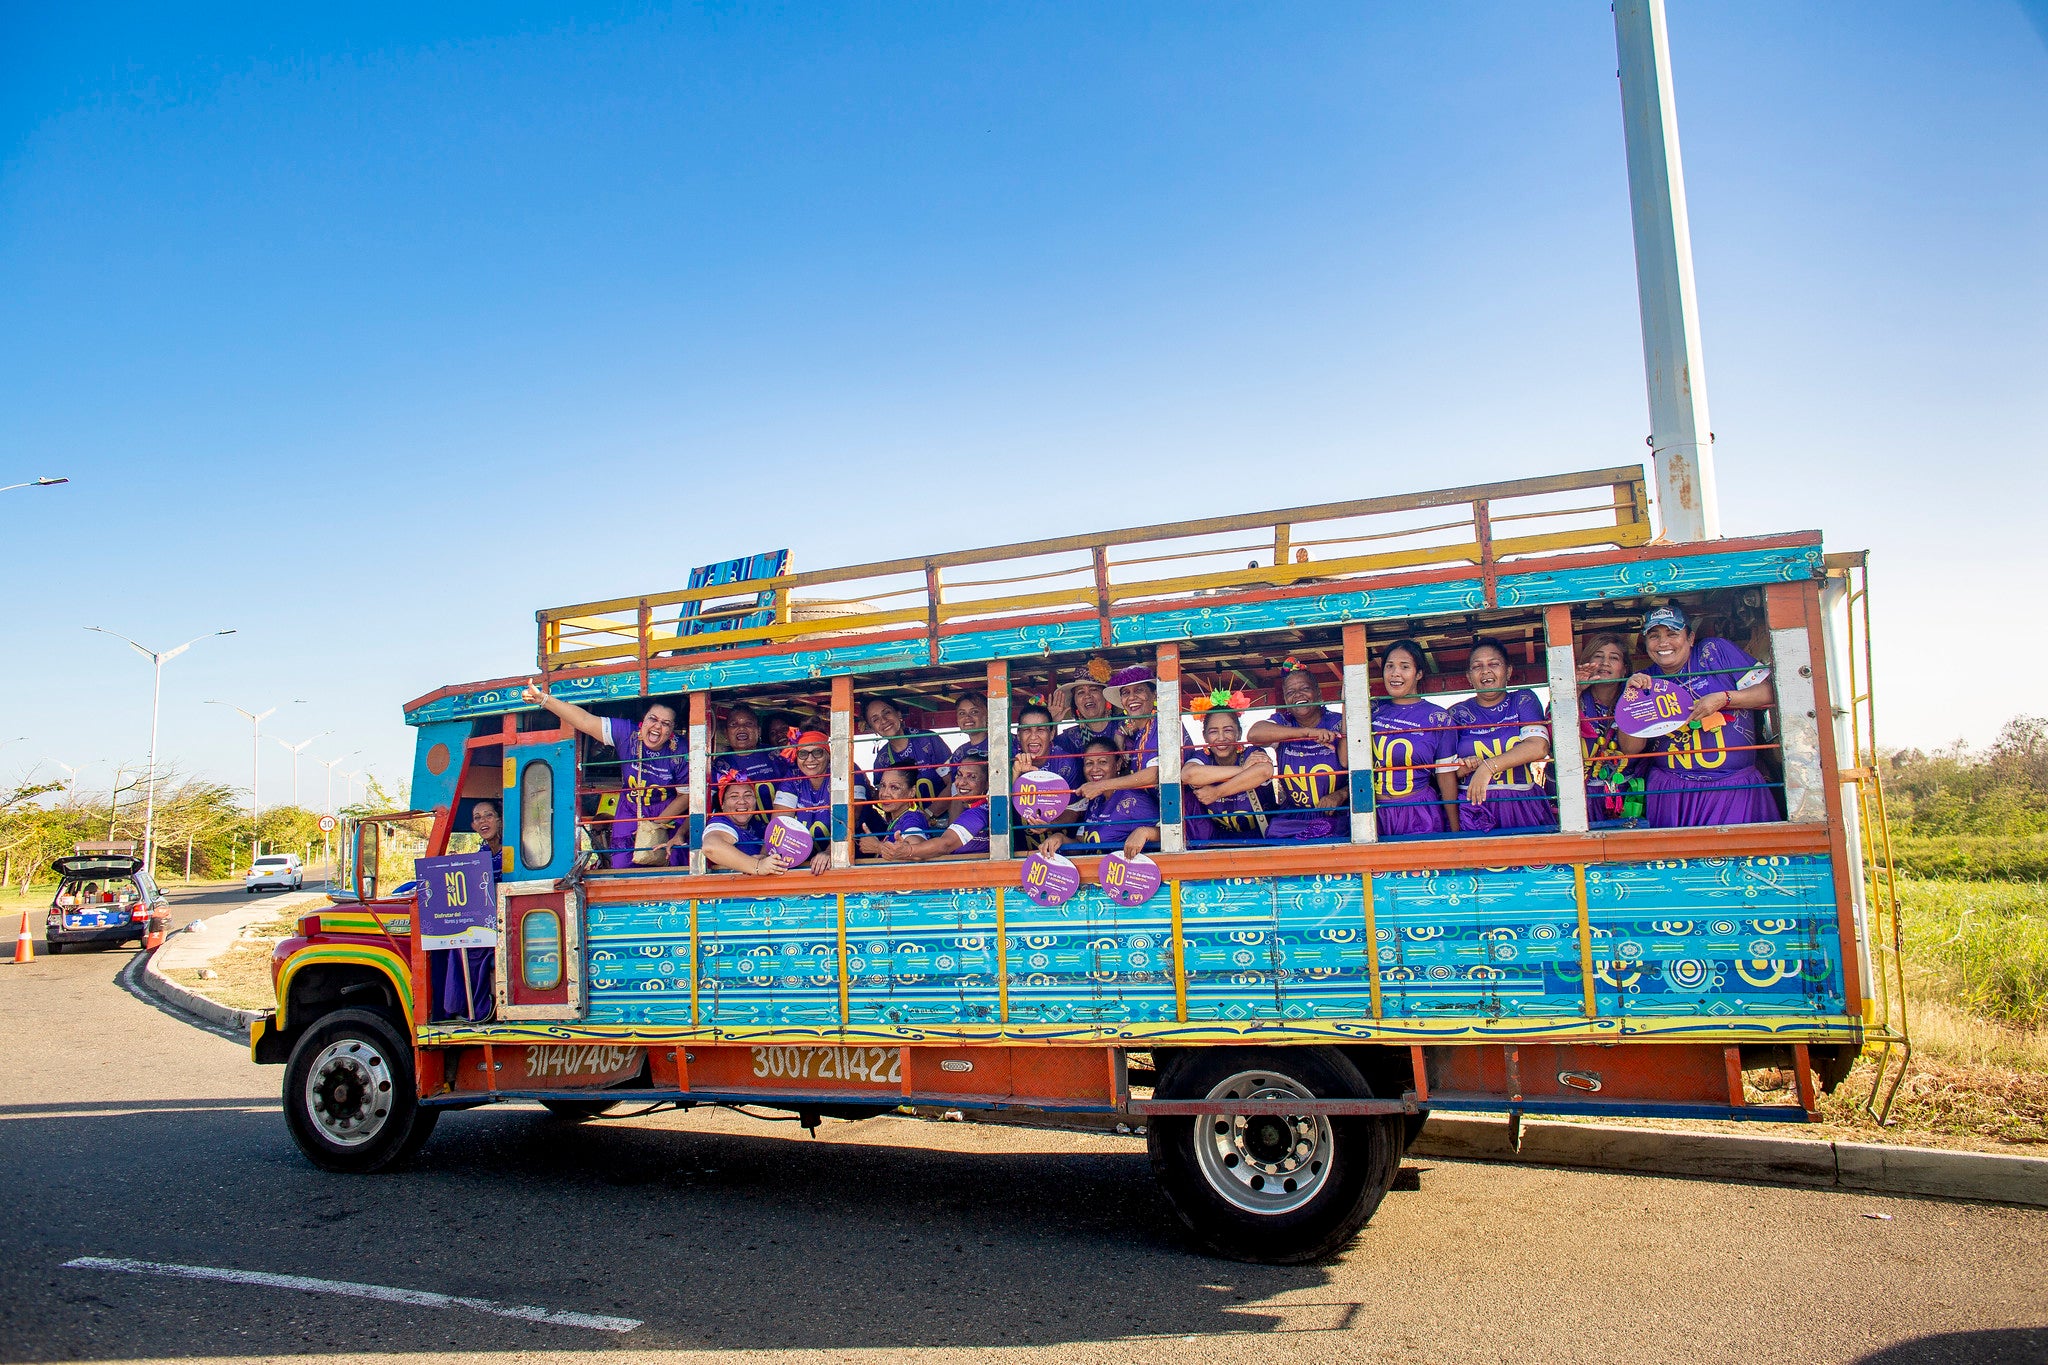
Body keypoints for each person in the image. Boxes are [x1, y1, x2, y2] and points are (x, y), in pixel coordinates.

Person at [1617, 603, 1782, 827]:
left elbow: (1771, 692)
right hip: (1672, 792)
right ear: (1645, 644)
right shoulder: (1645, 680)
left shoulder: (1714, 651)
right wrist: (1632, 702)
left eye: (1672, 633)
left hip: (1734, 787)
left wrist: (1724, 698)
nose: (1663, 643)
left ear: (1691, 638)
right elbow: (1630, 748)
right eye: (1654, 636)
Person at [520, 679, 688, 869]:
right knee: (622, 867)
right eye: (653, 719)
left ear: (672, 731)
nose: (658, 726)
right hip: (630, 810)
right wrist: (543, 699)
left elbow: (686, 796)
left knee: (670, 864)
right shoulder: (627, 733)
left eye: (666, 723)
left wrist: (656, 824)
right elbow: (584, 721)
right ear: (643, 721)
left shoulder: (680, 751)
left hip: (666, 813)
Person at [1449, 638, 1556, 834]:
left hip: (1522, 806)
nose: (1485, 671)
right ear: (1469, 676)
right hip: (1473, 809)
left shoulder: (1523, 700)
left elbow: (1538, 746)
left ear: (1508, 671)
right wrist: (1460, 769)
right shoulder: (1456, 713)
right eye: (1477, 666)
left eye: (1494, 664)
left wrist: (1487, 768)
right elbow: (1442, 771)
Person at [1246, 657, 1347, 840]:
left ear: (1318, 693)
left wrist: (1341, 794)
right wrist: (1308, 732)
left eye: (1305, 688)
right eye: (1290, 692)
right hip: (1293, 816)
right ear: (1285, 699)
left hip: (1335, 814)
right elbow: (1254, 734)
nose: (1298, 695)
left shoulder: (1338, 722)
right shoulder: (1283, 722)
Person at [1371, 639, 1462, 836]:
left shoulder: (1439, 719)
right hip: (1374, 815)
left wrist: (1456, 831)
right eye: (1390, 666)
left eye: (1405, 667)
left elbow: (1445, 776)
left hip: (1419, 813)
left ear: (1419, 674)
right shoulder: (1373, 710)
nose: (1395, 673)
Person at [1182, 693, 1278, 844]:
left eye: (1228, 730)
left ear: (1239, 733)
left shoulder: (1251, 753)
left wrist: (1216, 792)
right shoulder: (1203, 756)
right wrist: (1242, 770)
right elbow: (1188, 775)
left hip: (1261, 839)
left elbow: (1264, 771)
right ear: (1205, 736)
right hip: (1218, 842)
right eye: (1213, 731)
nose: (1221, 738)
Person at [1040, 740, 1160, 859]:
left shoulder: (1133, 799)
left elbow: (1172, 833)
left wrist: (1145, 832)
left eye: (1102, 762)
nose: (1095, 769)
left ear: (1118, 764)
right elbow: (1083, 846)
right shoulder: (1095, 800)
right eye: (1089, 763)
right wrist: (1060, 838)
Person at [1573, 632, 1646, 823]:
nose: (1605, 663)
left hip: (1624, 795)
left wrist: (1631, 697)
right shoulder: (1571, 695)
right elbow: (1556, 743)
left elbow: (1632, 748)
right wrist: (1576, 691)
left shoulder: (1635, 698)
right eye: (1598, 656)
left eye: (1614, 658)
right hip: (1577, 798)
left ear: (1625, 670)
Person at [880, 761, 993, 861]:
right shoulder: (977, 810)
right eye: (959, 775)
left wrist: (908, 850)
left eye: (972, 777)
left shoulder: (978, 813)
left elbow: (945, 844)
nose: (962, 782)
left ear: (988, 783)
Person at [864, 696, 953, 804]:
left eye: (887, 713)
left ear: (899, 714)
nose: (883, 720)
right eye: (875, 719)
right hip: (909, 820)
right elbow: (886, 801)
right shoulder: (881, 760)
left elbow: (953, 783)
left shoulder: (928, 740)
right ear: (873, 729)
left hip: (946, 817)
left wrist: (929, 814)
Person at [771, 728, 837, 874]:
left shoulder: (841, 770)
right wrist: (766, 858)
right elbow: (779, 824)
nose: (810, 759)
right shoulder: (793, 775)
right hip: (806, 859)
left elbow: (851, 819)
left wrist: (831, 852)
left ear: (828, 754)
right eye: (803, 754)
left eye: (817, 752)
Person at [702, 772, 792, 875]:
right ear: (722, 804)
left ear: (755, 800)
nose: (742, 801)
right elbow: (711, 847)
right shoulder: (721, 822)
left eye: (748, 795)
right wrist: (758, 866)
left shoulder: (758, 825)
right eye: (734, 797)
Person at [710, 705, 789, 816]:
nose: (741, 728)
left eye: (748, 724)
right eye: (734, 724)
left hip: (778, 826)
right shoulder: (719, 766)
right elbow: (706, 802)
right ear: (726, 733)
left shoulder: (776, 755)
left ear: (759, 730)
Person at [1050, 658, 1123, 762]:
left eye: (1093, 690)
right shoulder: (1069, 737)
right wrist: (1052, 723)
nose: (1087, 696)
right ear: (1075, 702)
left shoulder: (1124, 723)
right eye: (1080, 692)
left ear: (1105, 697)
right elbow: (1046, 755)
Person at [858, 765, 933, 859]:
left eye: (894, 787)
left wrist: (878, 847)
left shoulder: (911, 819)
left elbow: (917, 853)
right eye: (882, 785)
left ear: (912, 792)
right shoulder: (899, 817)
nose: (884, 793)